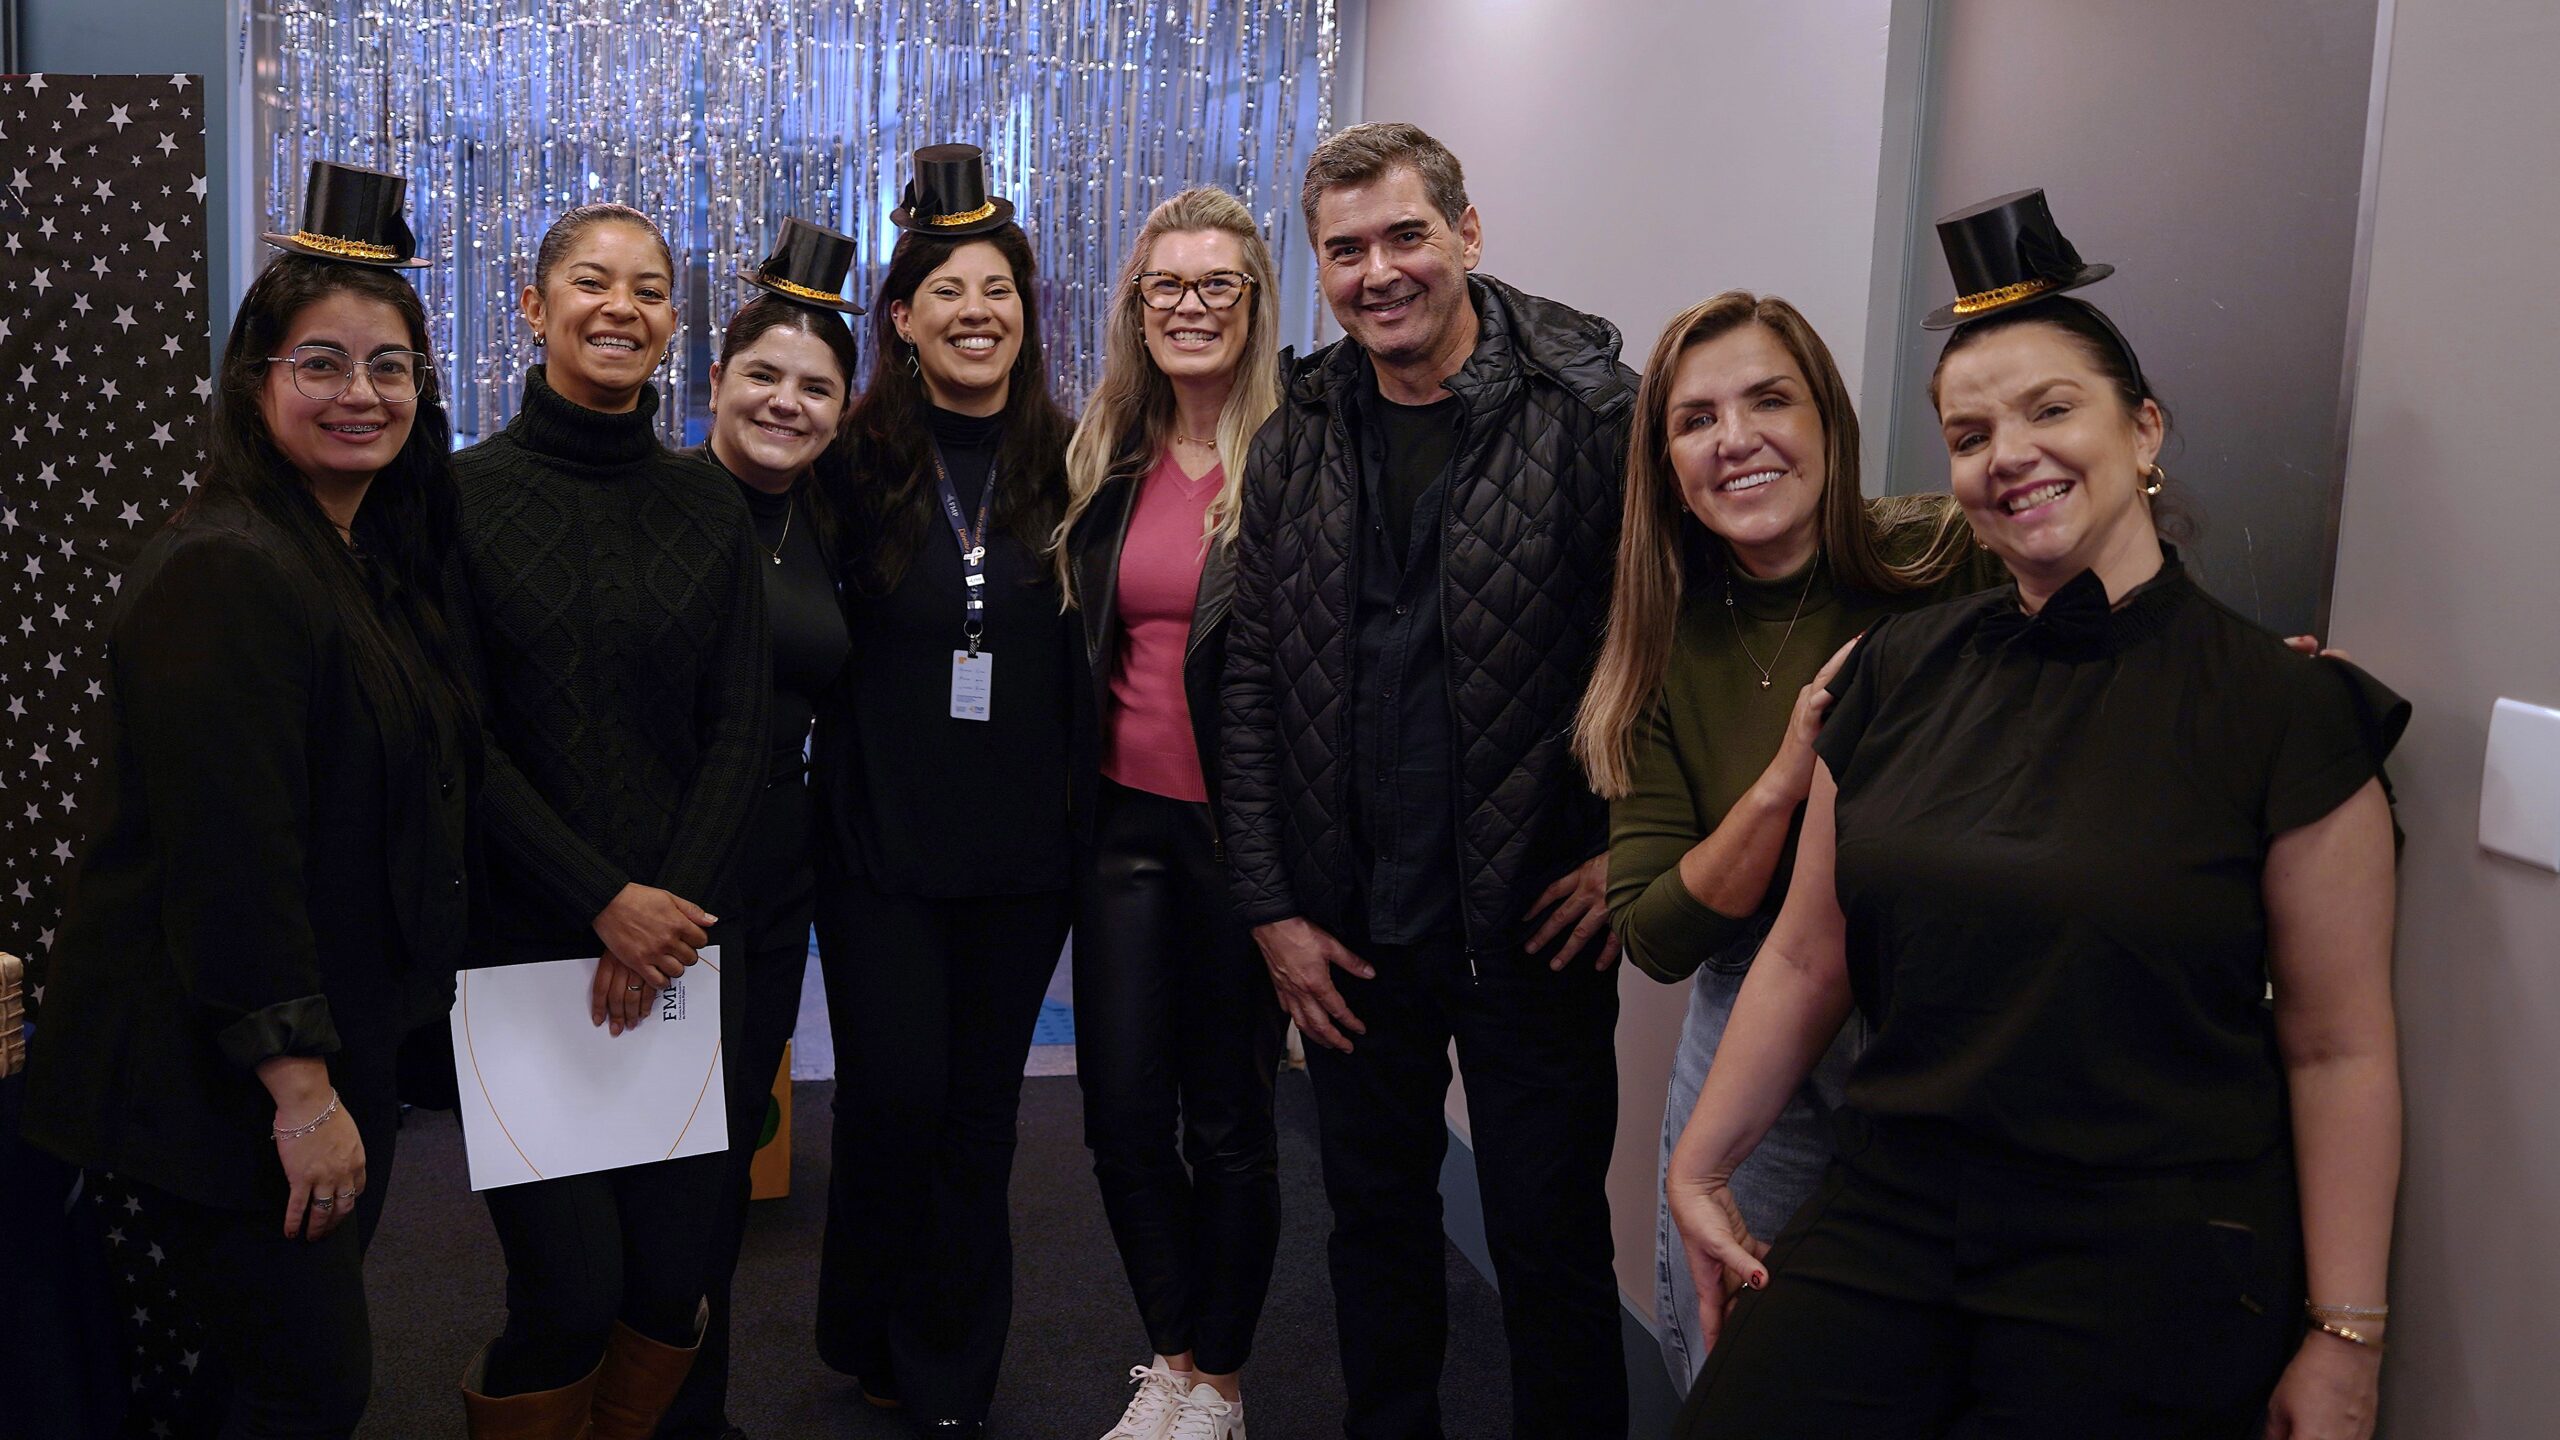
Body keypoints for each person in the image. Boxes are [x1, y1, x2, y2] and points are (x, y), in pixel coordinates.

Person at [1668, 189, 2407, 1439]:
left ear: (2143, 427)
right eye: (1968, 435)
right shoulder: (1894, 671)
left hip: (2145, 1254)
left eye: (2050, 411)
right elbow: (1805, 954)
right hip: (1892, 1213)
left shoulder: (2282, 709)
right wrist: (1699, 1165)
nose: (2006, 455)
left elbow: (2338, 1048)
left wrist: (2346, 1338)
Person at [21, 161, 476, 1438]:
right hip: (226, 1075)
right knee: (308, 1385)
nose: (359, 394)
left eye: (389, 367)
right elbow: (233, 863)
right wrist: (302, 1092)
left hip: (326, 1044)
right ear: (255, 379)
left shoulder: (359, 558)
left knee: (262, 1380)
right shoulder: (225, 568)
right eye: (321, 363)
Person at [1220, 121, 1637, 1440]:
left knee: (1548, 1243)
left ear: (1467, 230)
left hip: (1531, 916)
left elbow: (1672, 642)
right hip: (1349, 924)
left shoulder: (1592, 411)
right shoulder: (1297, 430)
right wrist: (1271, 908)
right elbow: (1250, 682)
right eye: (1346, 251)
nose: (1379, 272)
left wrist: (1638, 846)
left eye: (1405, 235)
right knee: (1375, 1232)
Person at [1573, 291, 2003, 1391]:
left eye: (1769, 400)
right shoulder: (1657, 643)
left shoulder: (1948, 555)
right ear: (1666, 463)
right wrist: (1785, 776)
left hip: (1959, 1009)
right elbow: (1656, 932)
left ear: (1828, 421)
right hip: (1759, 1018)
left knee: (1956, 1358)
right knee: (1741, 1359)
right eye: (1696, 419)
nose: (1737, 439)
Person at [447, 200, 769, 1439]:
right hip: (523, 953)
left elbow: (739, 728)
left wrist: (660, 918)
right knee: (568, 1291)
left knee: (672, 1279)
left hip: (679, 953)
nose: (620, 307)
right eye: (590, 281)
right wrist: (602, 902)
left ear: (674, 322)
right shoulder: (459, 499)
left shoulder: (708, 505)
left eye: (648, 288)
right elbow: (461, 743)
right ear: (535, 308)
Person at [810, 143, 1076, 1440]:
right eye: (948, 291)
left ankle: (947, 1371)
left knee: (978, 1118)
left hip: (1024, 858)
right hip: (880, 850)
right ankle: (864, 1322)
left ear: (1027, 311)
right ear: (903, 319)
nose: (978, 312)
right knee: (893, 1099)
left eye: (999, 290)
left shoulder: (1080, 463)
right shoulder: (848, 462)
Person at [1056, 187, 1288, 1440]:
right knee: (1122, 1114)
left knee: (1232, 1121)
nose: (1189, 306)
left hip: (1244, 841)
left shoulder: (1298, 455)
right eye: (1166, 286)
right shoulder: (1103, 456)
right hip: (1121, 833)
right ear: (1136, 308)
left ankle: (1224, 1386)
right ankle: (1174, 1358)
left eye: (1215, 285)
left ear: (1254, 302)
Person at [658, 218, 863, 1440]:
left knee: (724, 1161)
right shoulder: (658, 504)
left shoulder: (825, 523)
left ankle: (695, 1418)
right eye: (764, 375)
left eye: (816, 387)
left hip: (772, 885)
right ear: (716, 379)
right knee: (625, 1175)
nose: (787, 402)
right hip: (649, 883)